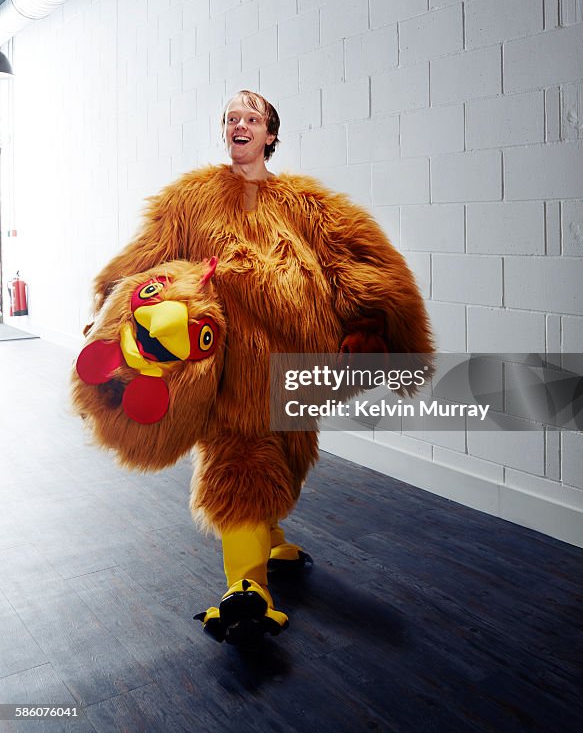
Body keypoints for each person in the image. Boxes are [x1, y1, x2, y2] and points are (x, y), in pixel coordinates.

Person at [88, 89, 433, 645]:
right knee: (239, 460)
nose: (238, 125)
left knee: (287, 452)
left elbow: (359, 258)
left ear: (271, 133)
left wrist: (373, 324)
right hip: (223, 364)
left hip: (290, 363)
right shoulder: (190, 199)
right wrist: (108, 309)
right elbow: (143, 257)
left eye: (250, 118)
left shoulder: (305, 203)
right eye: (230, 118)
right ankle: (247, 590)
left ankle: (268, 539)